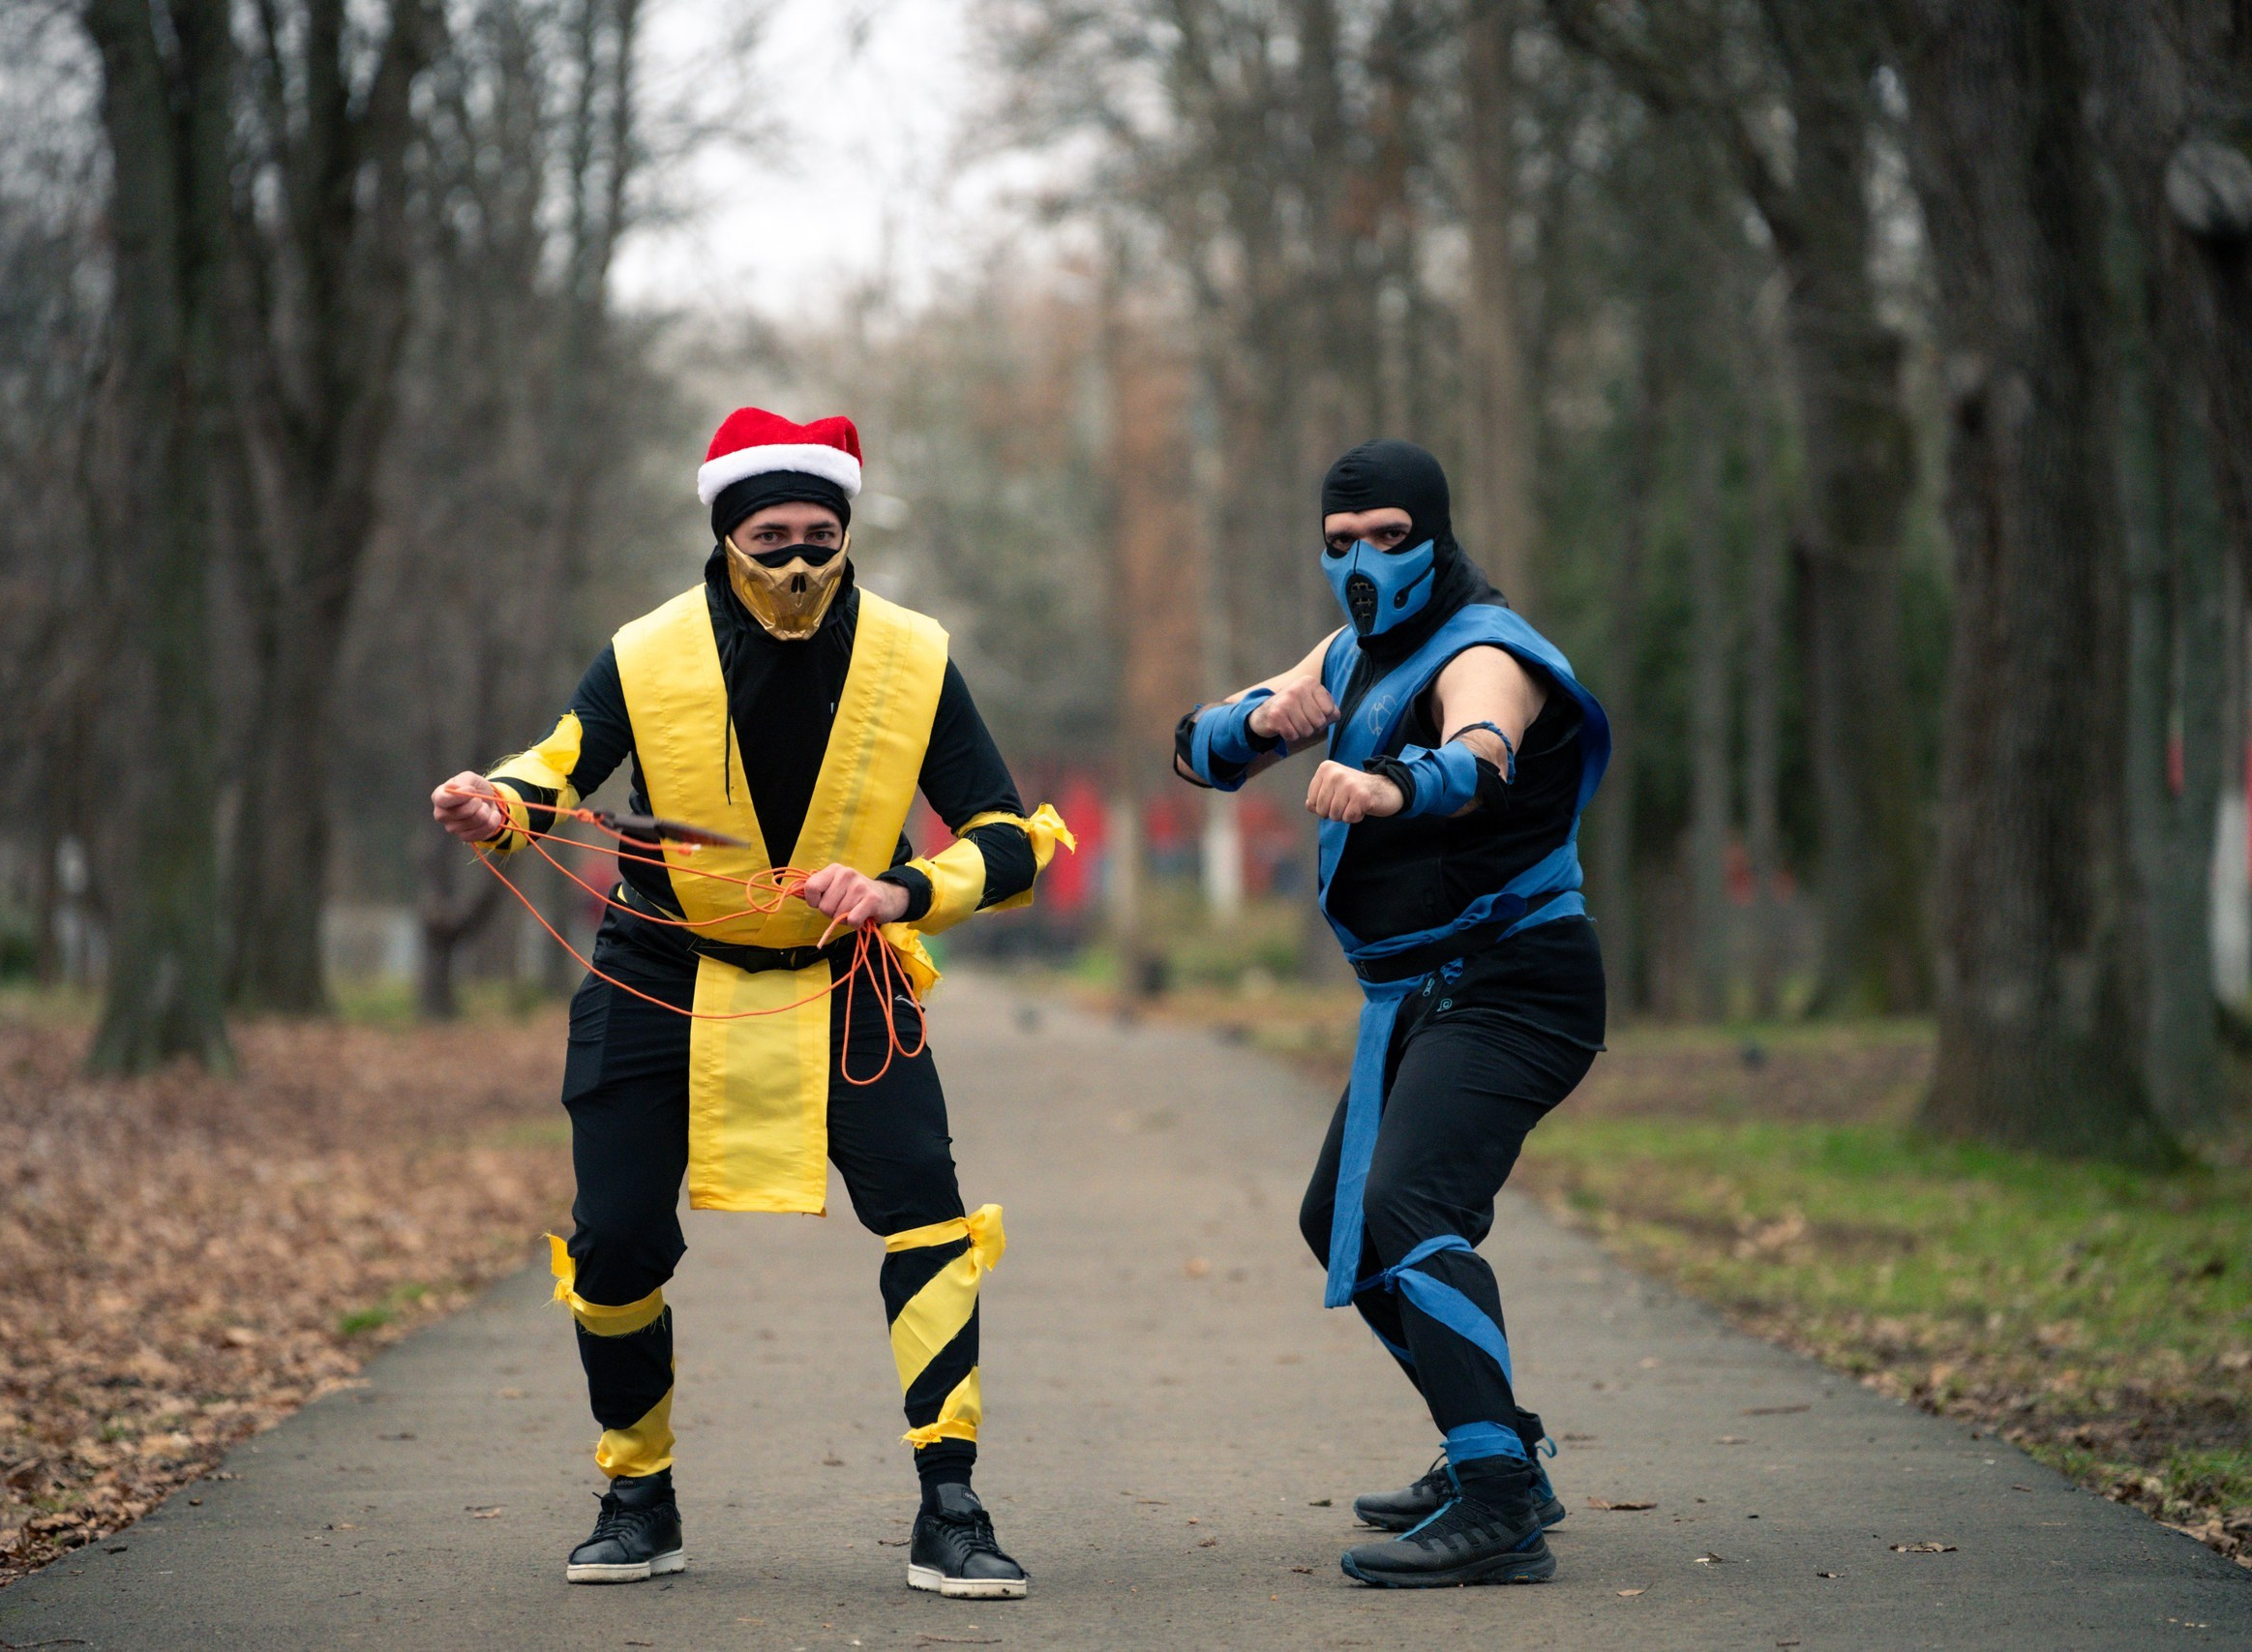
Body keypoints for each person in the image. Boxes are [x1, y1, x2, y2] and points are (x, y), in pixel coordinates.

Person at [432, 406, 1067, 1600]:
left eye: (820, 535)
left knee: (927, 1219)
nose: (796, 562)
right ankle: (637, 1493)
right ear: (725, 534)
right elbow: (556, 759)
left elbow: (1011, 836)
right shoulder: (648, 651)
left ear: (848, 532)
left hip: (848, 978)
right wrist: (495, 805)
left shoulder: (913, 655)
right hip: (654, 978)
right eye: (769, 535)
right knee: (613, 1240)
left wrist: (901, 887)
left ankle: (951, 1504)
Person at [1173, 439, 1608, 1588]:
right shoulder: (1358, 646)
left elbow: (1480, 754)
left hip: (1517, 984)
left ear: (1434, 531)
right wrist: (1263, 724)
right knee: (1345, 1224)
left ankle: (1498, 1501)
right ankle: (1494, 1446)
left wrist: (1389, 783)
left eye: (1387, 537)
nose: (1361, 561)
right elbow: (1204, 747)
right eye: (1338, 543)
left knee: (1410, 1202)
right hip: (1423, 995)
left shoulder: (1487, 650)